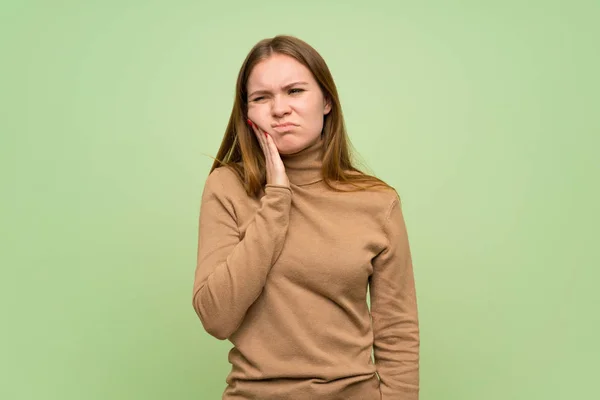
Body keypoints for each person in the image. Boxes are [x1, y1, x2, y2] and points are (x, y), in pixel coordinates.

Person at [192, 34, 419, 400]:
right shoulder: (227, 187)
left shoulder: (377, 201)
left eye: (295, 91)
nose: (279, 109)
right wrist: (277, 198)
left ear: (326, 100)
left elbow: (397, 331)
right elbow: (216, 317)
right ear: (247, 113)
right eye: (262, 97)